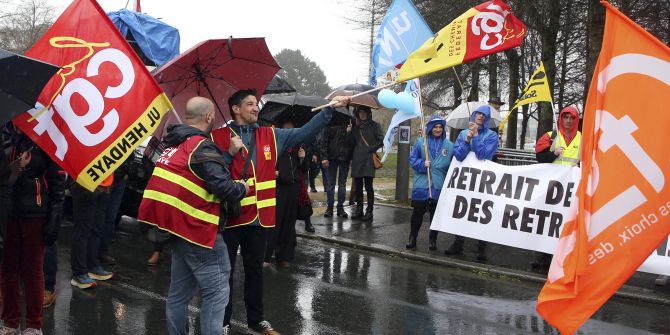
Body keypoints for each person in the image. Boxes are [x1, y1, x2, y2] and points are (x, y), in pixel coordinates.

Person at [211, 89, 349, 335]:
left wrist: (329, 109)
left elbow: (304, 132)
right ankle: (223, 322)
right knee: (225, 274)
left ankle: (256, 320)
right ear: (235, 108)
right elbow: (209, 175)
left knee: (255, 272)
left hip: (259, 219)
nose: (256, 108)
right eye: (250, 104)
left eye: (257, 104)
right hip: (230, 218)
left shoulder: (271, 135)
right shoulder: (217, 137)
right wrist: (228, 152)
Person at [138, 96, 248, 335]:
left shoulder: (174, 145)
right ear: (208, 117)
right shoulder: (202, 145)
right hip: (198, 230)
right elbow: (224, 188)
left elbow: (198, 175)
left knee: (179, 293)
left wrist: (226, 155)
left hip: (175, 229)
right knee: (217, 290)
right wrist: (243, 187)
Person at [1, 125, 65, 335]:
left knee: (33, 271)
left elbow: (57, 184)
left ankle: (33, 325)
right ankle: (10, 322)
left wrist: (53, 220)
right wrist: (18, 165)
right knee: (8, 270)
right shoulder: (5, 135)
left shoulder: (45, 137)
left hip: (35, 216)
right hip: (7, 213)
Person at [444, 105, 498, 261]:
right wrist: (467, 140)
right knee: (462, 209)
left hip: (484, 180)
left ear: (487, 119)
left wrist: (474, 136)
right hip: (466, 180)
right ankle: (458, 243)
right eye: (478, 114)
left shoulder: (492, 136)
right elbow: (458, 155)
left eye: (483, 115)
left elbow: (483, 155)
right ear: (473, 115)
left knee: (482, 211)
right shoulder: (462, 134)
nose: (480, 117)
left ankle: (481, 247)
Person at [532, 105, 581, 269]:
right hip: (552, 186)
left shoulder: (583, 138)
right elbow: (540, 158)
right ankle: (542, 257)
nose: (568, 121)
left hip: (570, 189)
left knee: (564, 223)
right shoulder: (551, 136)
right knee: (547, 221)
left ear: (576, 120)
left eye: (571, 118)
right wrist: (553, 153)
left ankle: (558, 258)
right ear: (561, 118)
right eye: (565, 117)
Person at [264, 120, 308, 268]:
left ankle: (285, 257)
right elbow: (264, 164)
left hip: (294, 189)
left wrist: (303, 158)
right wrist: (274, 172)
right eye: (287, 129)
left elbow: (305, 170)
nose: (290, 132)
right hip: (279, 188)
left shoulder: (298, 147)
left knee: (289, 224)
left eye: (292, 129)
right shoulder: (275, 145)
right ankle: (266, 256)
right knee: (274, 223)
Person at [406, 116, 453, 251]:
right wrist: (422, 164)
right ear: (430, 128)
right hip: (422, 184)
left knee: (435, 215)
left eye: (440, 127)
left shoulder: (449, 145)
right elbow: (412, 159)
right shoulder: (421, 142)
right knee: (417, 213)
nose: (438, 130)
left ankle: (433, 239)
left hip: (439, 185)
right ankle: (412, 238)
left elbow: (454, 163)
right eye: (435, 127)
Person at [69, 174, 114, 289]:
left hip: (103, 186)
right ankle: (79, 273)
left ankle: (92, 265)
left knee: (96, 229)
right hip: (85, 186)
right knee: (82, 231)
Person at [350, 106, 383, 221]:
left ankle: (369, 211)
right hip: (357, 159)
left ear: (368, 113)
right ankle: (359, 209)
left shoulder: (375, 125)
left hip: (368, 159)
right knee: (358, 187)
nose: (362, 114)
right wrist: (349, 132)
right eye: (360, 112)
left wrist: (370, 149)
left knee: (369, 187)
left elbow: (380, 141)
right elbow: (351, 142)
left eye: (364, 112)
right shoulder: (355, 126)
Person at [320, 121, 354, 218]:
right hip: (332, 157)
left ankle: (340, 208)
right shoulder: (330, 121)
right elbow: (324, 140)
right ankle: (330, 207)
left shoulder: (350, 121)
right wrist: (324, 157)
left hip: (344, 157)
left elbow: (352, 142)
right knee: (331, 184)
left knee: (342, 184)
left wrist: (349, 133)